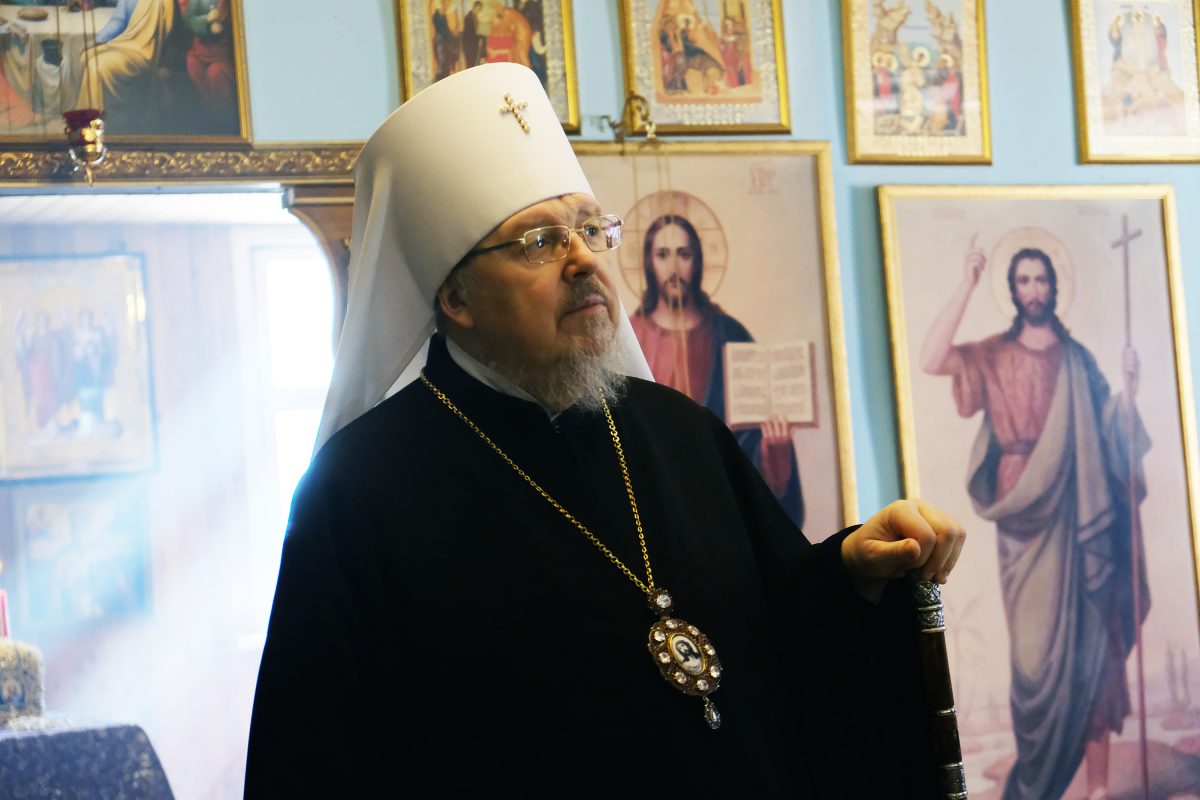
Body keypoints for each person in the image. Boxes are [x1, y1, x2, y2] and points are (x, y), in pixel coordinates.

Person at [245, 62, 966, 798]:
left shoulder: (680, 431)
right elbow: (312, 761)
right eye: (538, 242)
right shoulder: (356, 494)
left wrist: (854, 569)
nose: (584, 260)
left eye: (591, 230)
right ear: (456, 297)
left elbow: (777, 629)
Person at [919, 238, 1149, 800]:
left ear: (1054, 286)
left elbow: (1109, 432)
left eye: (1041, 279)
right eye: (1023, 280)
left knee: (1092, 646)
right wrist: (967, 283)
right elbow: (930, 359)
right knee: (1032, 659)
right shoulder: (993, 354)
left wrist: (1131, 390)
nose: (1034, 290)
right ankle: (1041, 782)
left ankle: (1097, 789)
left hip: (1078, 507)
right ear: (1012, 289)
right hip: (1022, 510)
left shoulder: (1078, 361)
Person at [629, 211, 805, 528]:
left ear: (697, 261)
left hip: (720, 507)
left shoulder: (729, 334)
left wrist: (773, 450)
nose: (673, 268)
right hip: (651, 504)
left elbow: (748, 440)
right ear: (649, 262)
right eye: (663, 254)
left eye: (683, 254)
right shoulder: (631, 337)